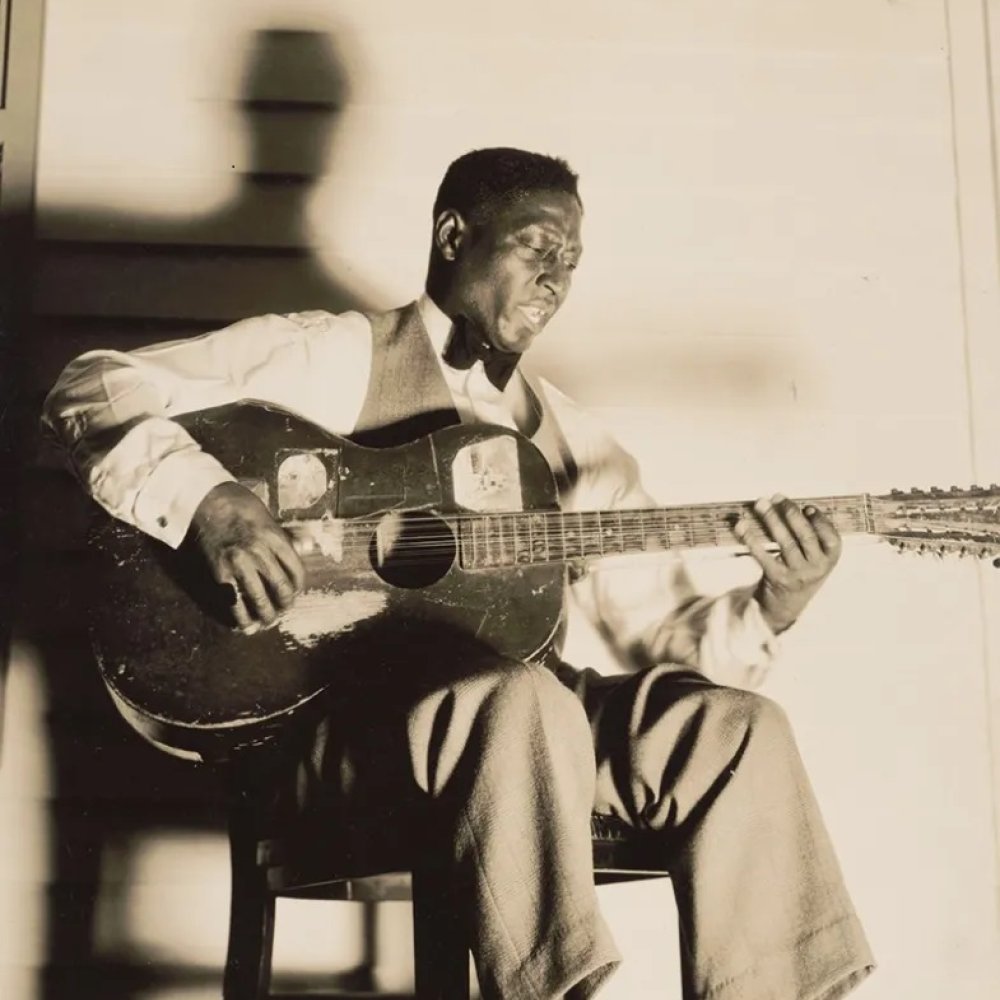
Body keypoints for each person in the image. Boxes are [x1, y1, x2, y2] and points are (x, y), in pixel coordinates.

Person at [42, 147, 874, 1000]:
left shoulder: (574, 443)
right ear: (453, 236)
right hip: (348, 730)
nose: (556, 278)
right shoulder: (335, 356)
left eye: (571, 261)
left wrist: (776, 602)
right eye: (537, 246)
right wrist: (212, 504)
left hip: (525, 735)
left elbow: (664, 641)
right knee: (524, 702)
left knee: (738, 728)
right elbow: (92, 387)